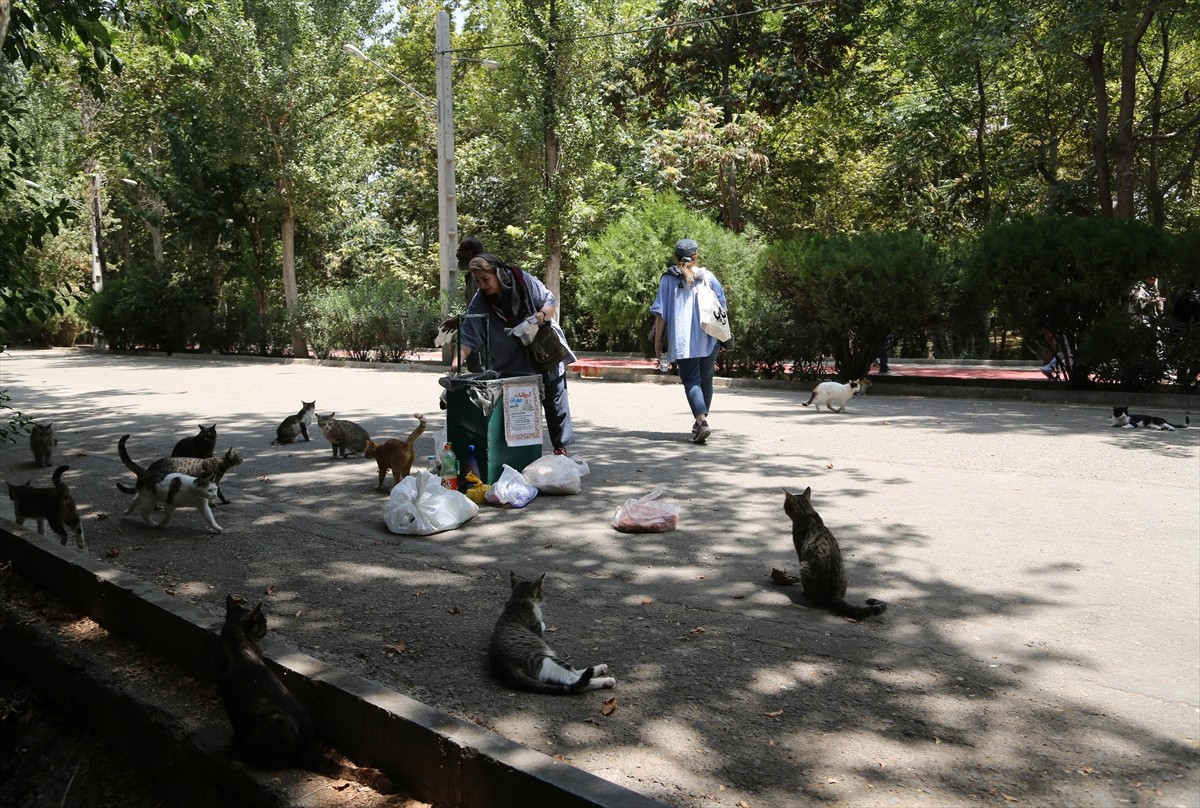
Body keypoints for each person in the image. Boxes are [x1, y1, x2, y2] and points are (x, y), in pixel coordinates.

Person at [451, 254, 576, 455]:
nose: (482, 285)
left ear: (498, 273)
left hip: (545, 351)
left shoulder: (523, 281)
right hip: (513, 364)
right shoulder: (481, 301)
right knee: (520, 411)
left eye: (486, 279)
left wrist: (542, 315)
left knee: (555, 399)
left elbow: (550, 301)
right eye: (478, 281)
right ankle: (520, 456)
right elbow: (469, 335)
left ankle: (560, 450)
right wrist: (457, 362)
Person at [651, 238, 727, 445]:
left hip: (683, 340)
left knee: (692, 380)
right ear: (696, 256)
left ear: (676, 257)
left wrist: (658, 342)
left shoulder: (668, 280)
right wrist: (721, 336)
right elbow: (722, 305)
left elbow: (660, 314)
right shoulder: (708, 277)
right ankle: (701, 421)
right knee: (706, 379)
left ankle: (701, 421)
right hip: (709, 337)